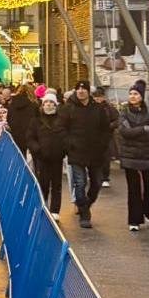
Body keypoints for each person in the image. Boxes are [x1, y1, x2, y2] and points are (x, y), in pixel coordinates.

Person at [59, 80, 112, 228]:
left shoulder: (98, 109)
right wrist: (69, 144)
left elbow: (105, 129)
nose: (81, 91)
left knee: (97, 182)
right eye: (78, 89)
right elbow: (61, 128)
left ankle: (86, 203)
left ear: (89, 91)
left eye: (83, 89)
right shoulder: (68, 108)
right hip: (76, 152)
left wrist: (102, 145)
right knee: (80, 182)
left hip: (95, 152)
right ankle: (84, 214)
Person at [117, 82, 149, 232]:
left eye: (136, 94)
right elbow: (124, 132)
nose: (132, 96)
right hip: (130, 156)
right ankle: (134, 220)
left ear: (141, 96)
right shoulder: (124, 112)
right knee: (133, 189)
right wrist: (143, 129)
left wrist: (135, 133)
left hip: (148, 155)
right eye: (131, 94)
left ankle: (146, 209)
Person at [27, 92, 68, 220]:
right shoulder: (36, 121)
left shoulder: (61, 120)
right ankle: (43, 205)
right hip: (42, 157)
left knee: (56, 184)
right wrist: (36, 149)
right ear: (42, 105)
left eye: (51, 102)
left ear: (55, 105)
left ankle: (55, 210)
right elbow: (30, 137)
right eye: (46, 102)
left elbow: (67, 136)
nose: (48, 105)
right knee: (43, 183)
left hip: (57, 157)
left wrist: (64, 149)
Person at [93, 87, 120, 188]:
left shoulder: (109, 108)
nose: (97, 99)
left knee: (105, 158)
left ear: (103, 97)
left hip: (106, 137)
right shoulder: (89, 108)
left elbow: (117, 120)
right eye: (95, 97)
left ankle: (105, 178)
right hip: (92, 137)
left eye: (99, 97)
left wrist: (109, 126)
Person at [7, 83, 38, 159]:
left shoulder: (12, 104)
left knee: (19, 157)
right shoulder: (34, 105)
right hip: (30, 135)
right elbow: (37, 120)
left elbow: (9, 118)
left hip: (16, 134)